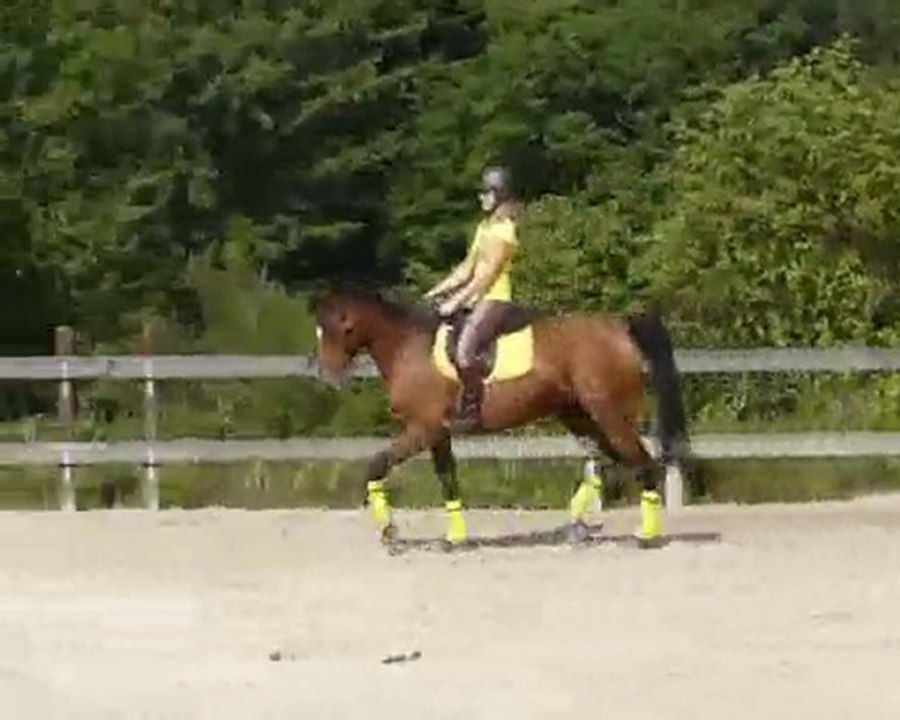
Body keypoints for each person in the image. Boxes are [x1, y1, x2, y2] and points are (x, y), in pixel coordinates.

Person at [424, 165, 520, 433]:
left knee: (465, 353)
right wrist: (436, 291)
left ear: (499, 195)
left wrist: (456, 302)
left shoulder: (505, 232)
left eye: (486, 193)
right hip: (477, 297)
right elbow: (467, 269)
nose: (481, 198)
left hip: (496, 299)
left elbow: (486, 277)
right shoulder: (484, 227)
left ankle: (472, 412)